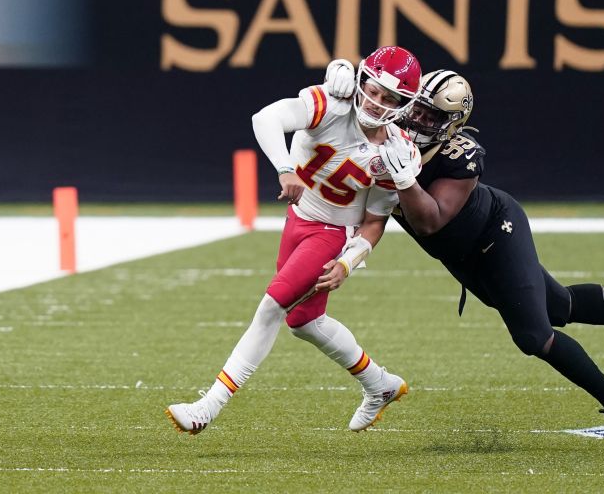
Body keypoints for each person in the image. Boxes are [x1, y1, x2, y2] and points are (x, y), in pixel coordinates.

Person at [338, 65, 604, 453]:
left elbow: (430, 221)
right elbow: (341, 134)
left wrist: (405, 178)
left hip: (496, 233)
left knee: (533, 336)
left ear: (451, 123)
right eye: (418, 108)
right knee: (560, 305)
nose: (419, 119)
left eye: (432, 115)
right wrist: (336, 83)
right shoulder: (386, 129)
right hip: (462, 255)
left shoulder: (461, 153)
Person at [166, 46, 423, 435]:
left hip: (331, 233)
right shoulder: (331, 103)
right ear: (361, 81)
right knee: (304, 321)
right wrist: (286, 169)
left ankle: (209, 406)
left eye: (390, 98)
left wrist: (348, 262)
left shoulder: (396, 153)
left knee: (271, 308)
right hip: (298, 220)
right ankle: (380, 384)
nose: (376, 102)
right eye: (373, 89)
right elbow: (265, 118)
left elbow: (374, 222)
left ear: (404, 105)